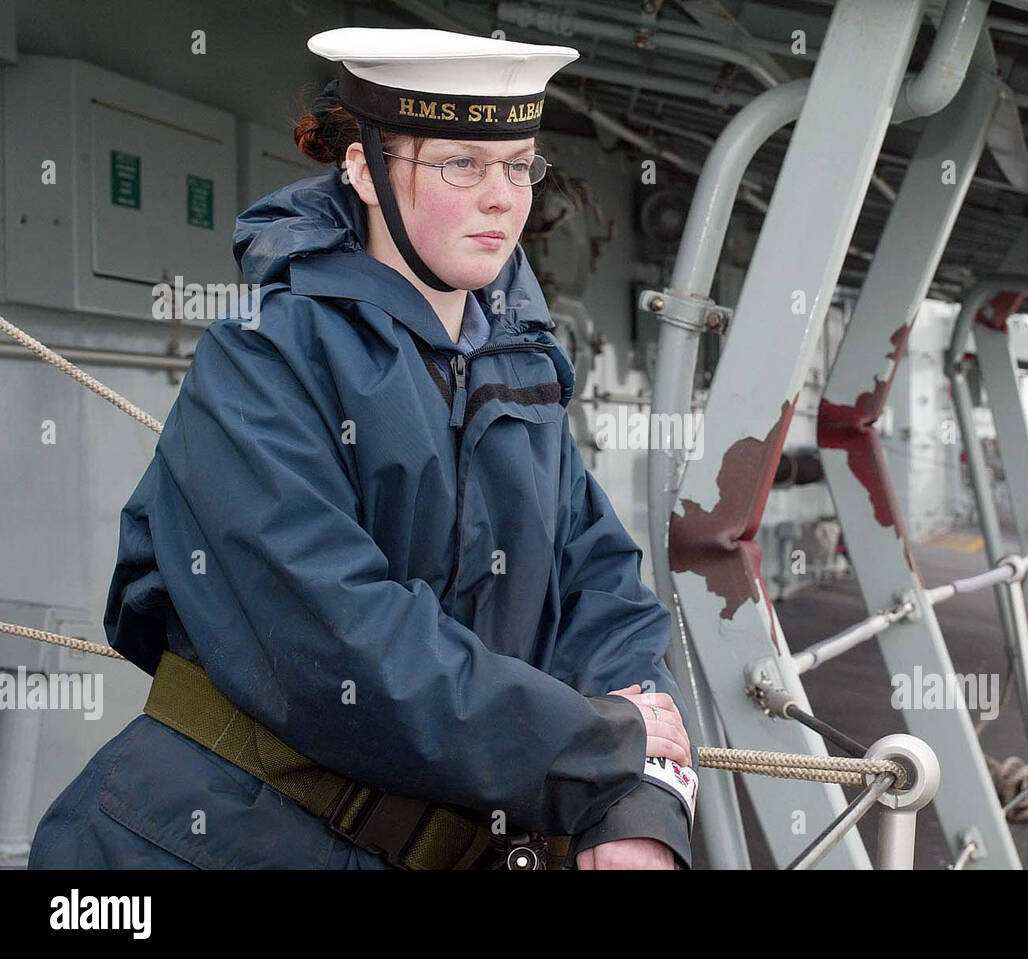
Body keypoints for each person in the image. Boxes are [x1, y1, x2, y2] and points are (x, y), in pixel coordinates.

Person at [28, 27, 697, 871]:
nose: (503, 198)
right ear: (364, 170)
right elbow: (337, 640)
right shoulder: (265, 355)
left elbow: (603, 594)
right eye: (462, 163)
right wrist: (600, 746)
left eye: (520, 164)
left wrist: (638, 806)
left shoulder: (520, 366)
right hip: (206, 842)